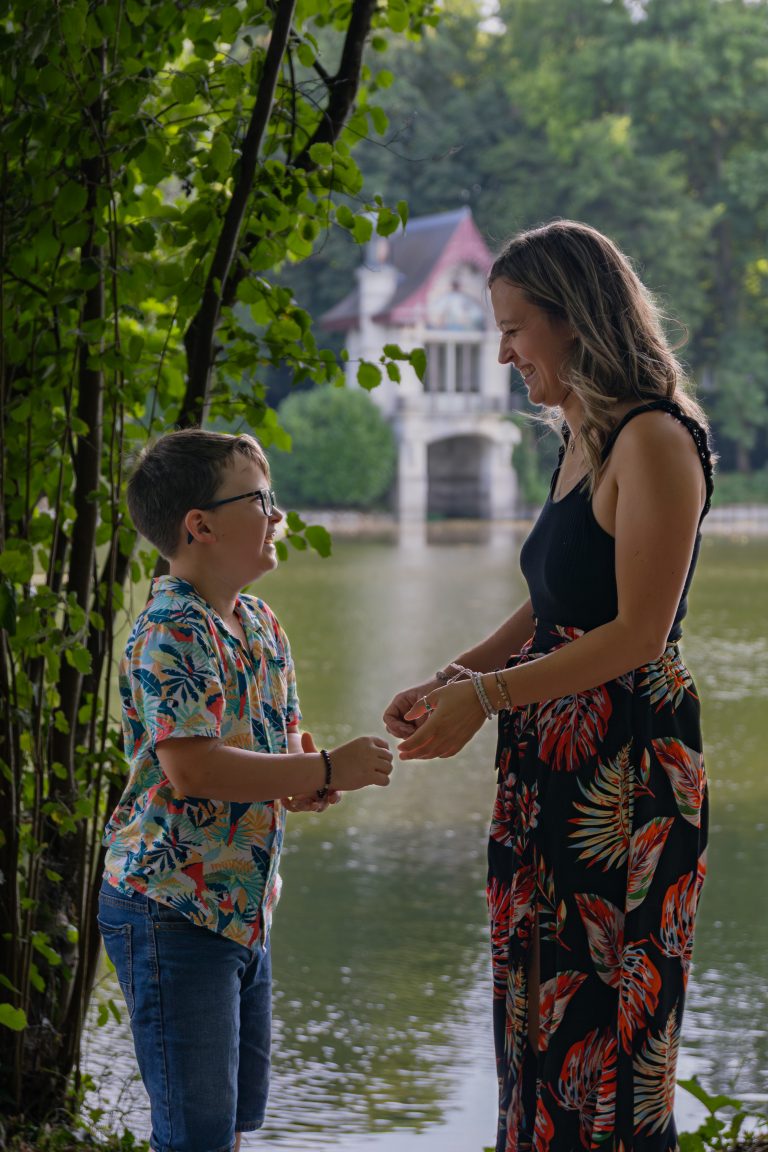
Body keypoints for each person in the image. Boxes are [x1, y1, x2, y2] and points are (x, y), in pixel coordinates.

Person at [384, 220, 713, 1152]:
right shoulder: (582, 437)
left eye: (515, 327)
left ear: (575, 322)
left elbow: (639, 634)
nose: (501, 353)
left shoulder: (653, 438)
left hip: (625, 774)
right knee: (535, 1011)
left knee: (609, 1032)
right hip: (551, 758)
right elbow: (550, 605)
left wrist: (485, 700)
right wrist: (456, 675)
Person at [98, 429, 394, 1152]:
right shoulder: (171, 627)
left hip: (241, 910)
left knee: (228, 1124)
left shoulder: (259, 622)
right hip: (170, 908)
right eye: (261, 499)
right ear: (199, 525)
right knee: (194, 1133)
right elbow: (194, 770)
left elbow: (278, 743)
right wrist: (325, 770)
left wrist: (305, 774)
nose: (278, 514)